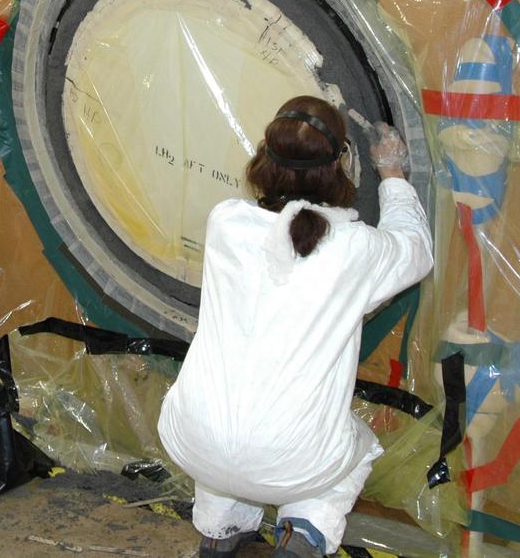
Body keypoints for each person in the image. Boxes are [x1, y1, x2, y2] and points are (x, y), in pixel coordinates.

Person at [158, 96, 433, 557]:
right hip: (290, 460)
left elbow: (286, 239)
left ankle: (221, 530)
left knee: (234, 429)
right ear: (341, 164)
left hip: (190, 438)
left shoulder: (225, 221)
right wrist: (391, 173)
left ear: (262, 159)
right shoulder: (354, 249)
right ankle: (303, 533)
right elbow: (415, 248)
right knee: (351, 449)